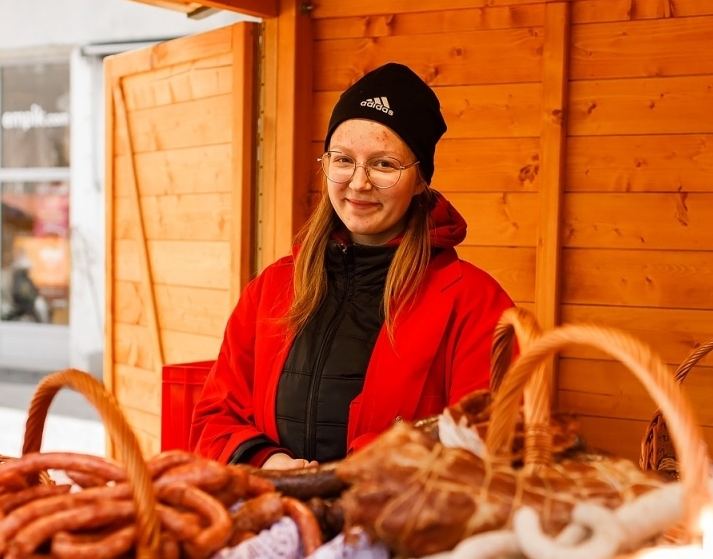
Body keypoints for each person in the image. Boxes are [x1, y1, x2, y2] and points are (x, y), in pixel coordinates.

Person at [191, 63, 514, 470]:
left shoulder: (475, 303)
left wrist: (345, 478)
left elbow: (484, 441)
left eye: (384, 164)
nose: (358, 183)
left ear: (420, 180)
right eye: (343, 159)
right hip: (275, 499)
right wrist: (270, 462)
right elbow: (215, 417)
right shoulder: (272, 288)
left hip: (394, 510)